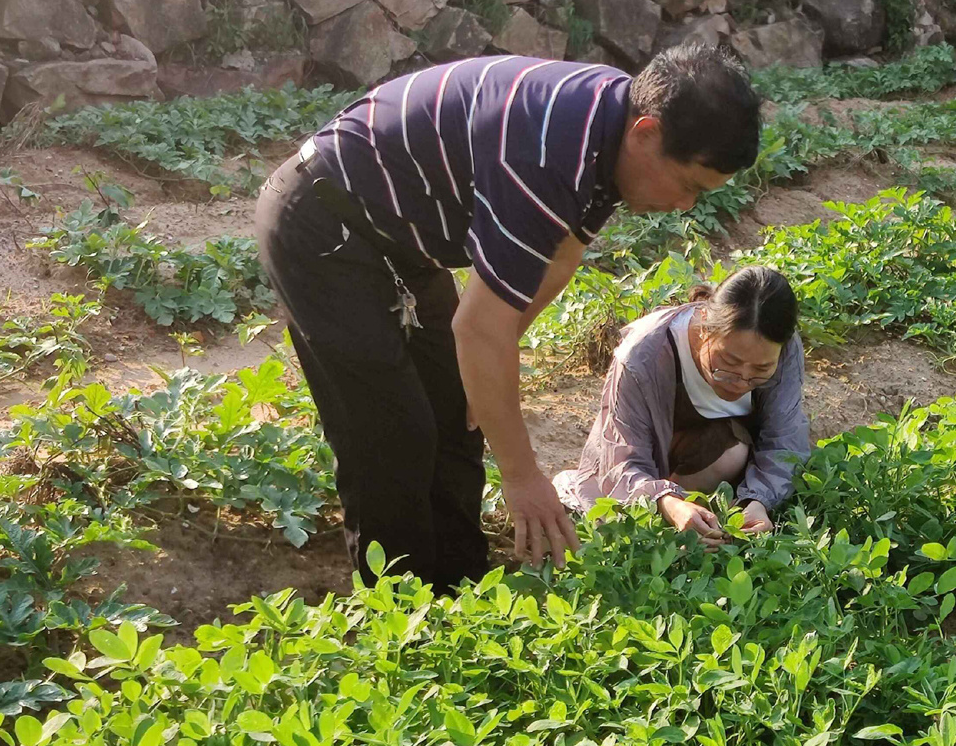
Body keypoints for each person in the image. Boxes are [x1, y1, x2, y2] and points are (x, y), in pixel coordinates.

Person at [254, 43, 762, 589]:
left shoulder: (611, 127)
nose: (686, 205)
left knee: (456, 409)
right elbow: (478, 328)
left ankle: (461, 592)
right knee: (391, 435)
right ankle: (399, 616)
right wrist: (522, 479)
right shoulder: (548, 152)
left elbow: (562, 255)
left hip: (399, 240)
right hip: (325, 224)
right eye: (688, 185)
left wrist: (487, 360)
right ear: (646, 133)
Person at [555, 266, 809, 545]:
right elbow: (622, 461)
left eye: (761, 370)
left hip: (722, 468)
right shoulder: (644, 356)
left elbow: (784, 440)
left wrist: (758, 500)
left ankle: (705, 522)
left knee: (731, 453)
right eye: (729, 363)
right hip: (651, 472)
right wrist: (667, 502)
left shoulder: (783, 349)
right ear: (704, 328)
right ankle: (674, 527)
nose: (741, 381)